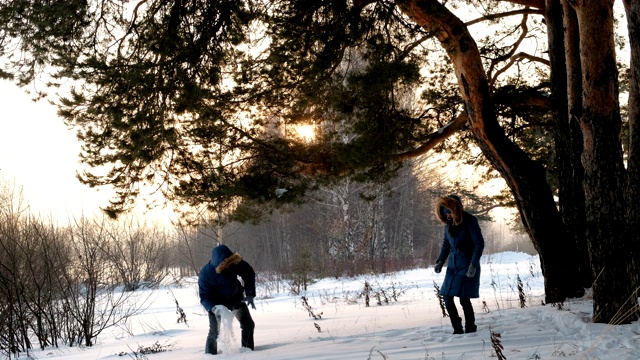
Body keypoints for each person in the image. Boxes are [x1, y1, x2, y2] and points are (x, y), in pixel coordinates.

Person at [433, 194, 484, 334]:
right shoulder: (448, 225)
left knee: (463, 298)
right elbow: (446, 244)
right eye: (445, 213)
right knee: (447, 296)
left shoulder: (469, 221)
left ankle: (470, 327)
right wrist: (440, 261)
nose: (447, 215)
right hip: (453, 266)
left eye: (449, 212)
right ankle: (457, 327)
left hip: (467, 264)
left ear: (456, 210)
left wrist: (473, 265)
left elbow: (479, 244)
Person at [198, 244, 257, 355]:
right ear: (220, 263)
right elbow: (204, 296)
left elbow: (249, 273)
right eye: (226, 265)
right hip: (216, 304)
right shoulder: (205, 274)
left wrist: (249, 293)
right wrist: (212, 308)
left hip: (235, 297)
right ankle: (210, 355)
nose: (229, 266)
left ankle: (248, 351)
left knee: (248, 324)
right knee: (214, 332)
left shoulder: (234, 263)